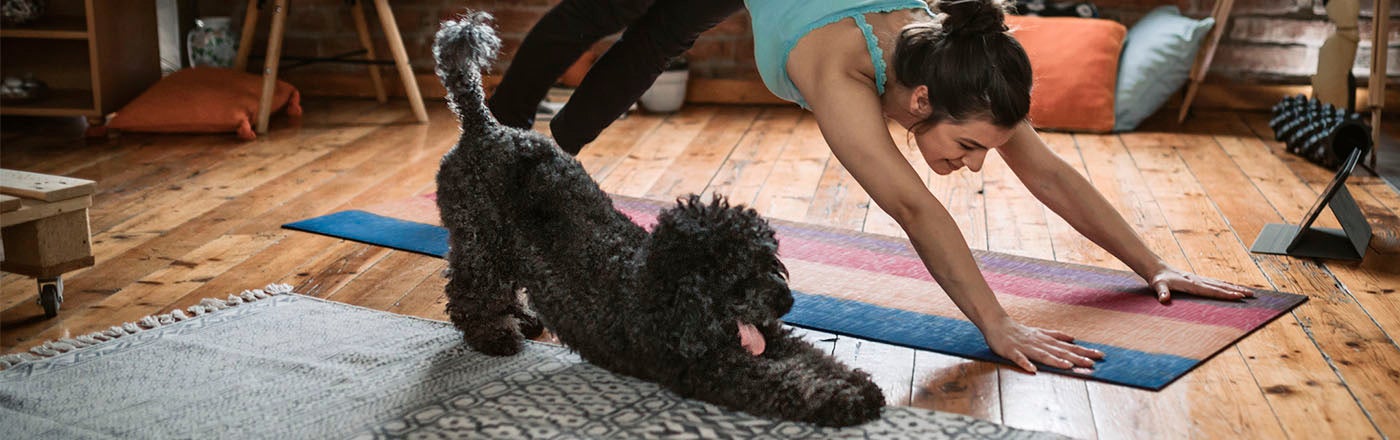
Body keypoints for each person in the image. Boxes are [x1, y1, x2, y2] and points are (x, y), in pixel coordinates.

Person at [488, 0, 1258, 373]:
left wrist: (1150, 264)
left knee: (660, 34)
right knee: (605, 11)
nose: (978, 164)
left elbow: (1046, 169)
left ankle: (542, 154)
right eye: (967, 147)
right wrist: (995, 323)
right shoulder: (839, 71)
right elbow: (913, 205)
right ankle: (498, 135)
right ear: (920, 103)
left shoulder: (958, 71)